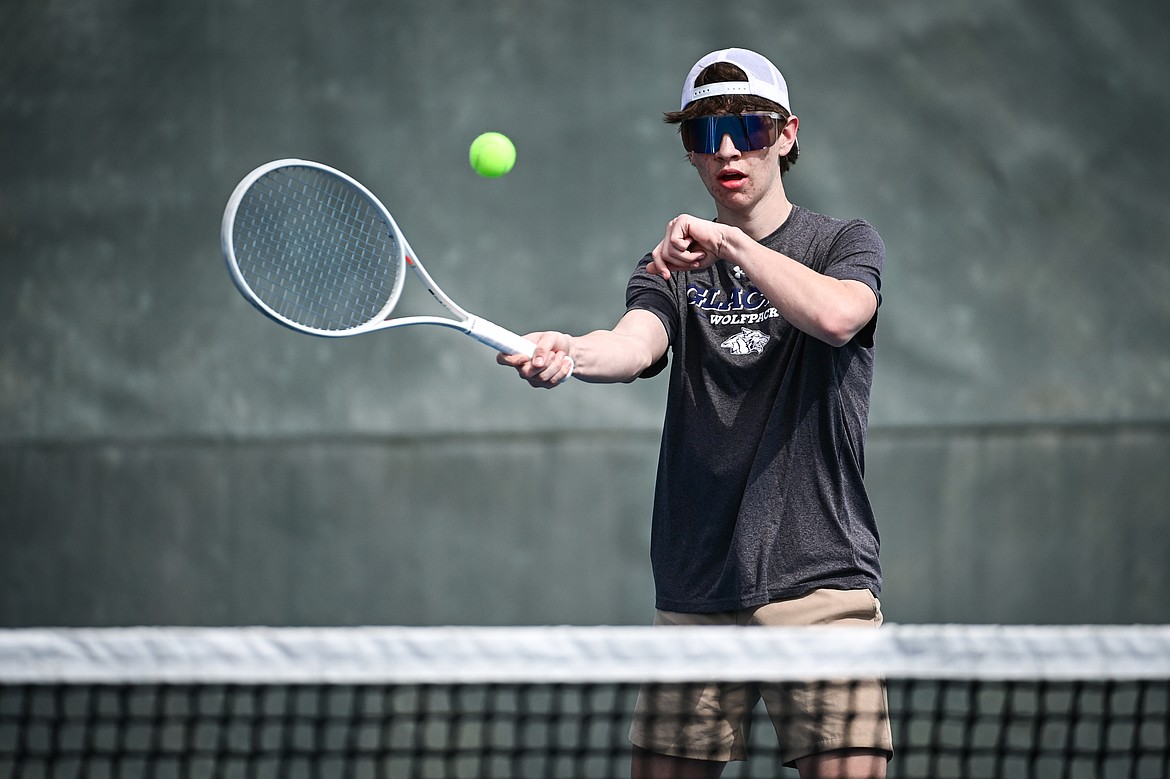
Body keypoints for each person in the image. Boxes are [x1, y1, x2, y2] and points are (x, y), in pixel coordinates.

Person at [498, 47, 892, 778]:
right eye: (704, 134)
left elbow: (838, 317)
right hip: (695, 588)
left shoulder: (843, 243)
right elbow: (631, 344)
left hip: (820, 580)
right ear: (690, 152)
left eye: (745, 126)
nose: (728, 150)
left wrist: (731, 245)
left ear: (787, 133)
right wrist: (568, 352)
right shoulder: (668, 269)